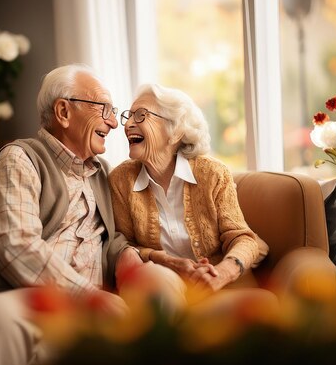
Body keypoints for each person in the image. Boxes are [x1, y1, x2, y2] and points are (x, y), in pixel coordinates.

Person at [0, 64, 143, 365]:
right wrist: (88, 296)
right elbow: (15, 246)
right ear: (63, 112)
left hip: (68, 311)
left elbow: (113, 238)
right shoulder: (20, 159)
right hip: (5, 291)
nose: (113, 123)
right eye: (104, 108)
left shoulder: (102, 174)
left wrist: (140, 258)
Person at [109, 83, 271, 306]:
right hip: (164, 292)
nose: (127, 124)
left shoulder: (212, 174)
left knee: (262, 305)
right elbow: (123, 247)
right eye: (128, 116)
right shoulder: (121, 180)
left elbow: (242, 237)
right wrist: (164, 260)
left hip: (220, 290)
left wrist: (220, 274)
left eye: (140, 115)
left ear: (175, 131)